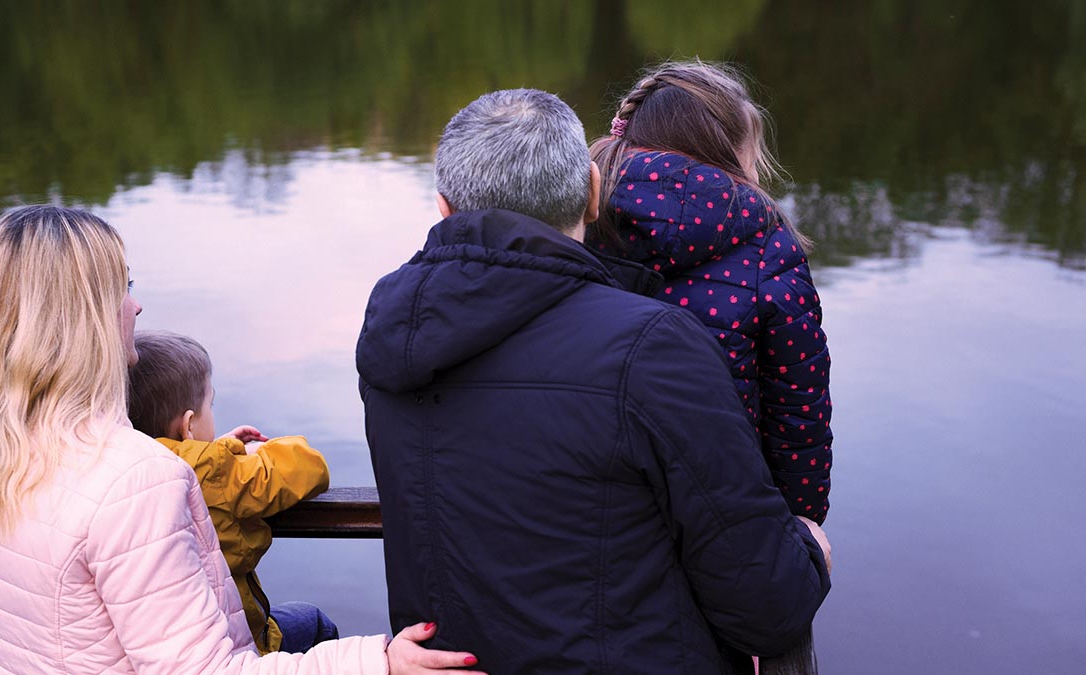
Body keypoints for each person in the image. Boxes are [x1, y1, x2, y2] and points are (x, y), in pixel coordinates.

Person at [357, 89, 831, 674]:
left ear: (444, 208)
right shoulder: (653, 344)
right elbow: (766, 608)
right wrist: (808, 548)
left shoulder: (392, 329)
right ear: (593, 191)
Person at [0, 205, 481, 674]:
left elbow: (5, 635)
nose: (135, 304)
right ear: (80, 318)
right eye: (123, 286)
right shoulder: (129, 477)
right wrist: (375, 660)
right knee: (315, 627)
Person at [586, 60, 834, 673]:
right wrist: (801, 531)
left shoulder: (579, 216)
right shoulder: (764, 242)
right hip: (725, 518)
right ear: (730, 150)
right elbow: (796, 413)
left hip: (590, 507)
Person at [127, 330, 337, 655]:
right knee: (313, 621)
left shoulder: (128, 464)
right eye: (210, 404)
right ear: (189, 425)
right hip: (239, 643)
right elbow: (311, 467)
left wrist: (216, 449)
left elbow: (188, 460)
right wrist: (247, 455)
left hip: (172, 643)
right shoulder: (217, 474)